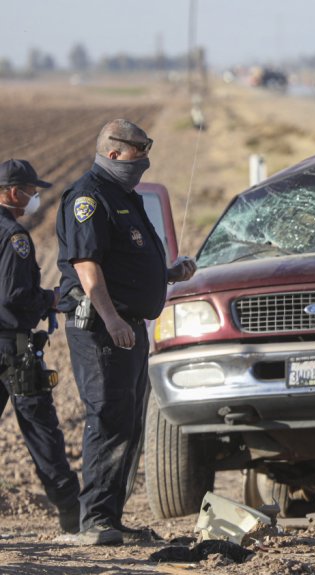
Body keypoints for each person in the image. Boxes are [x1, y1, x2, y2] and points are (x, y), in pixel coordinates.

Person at [55, 119, 197, 546]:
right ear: (113, 153)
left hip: (129, 330)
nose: (145, 160)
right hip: (102, 329)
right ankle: (95, 520)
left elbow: (126, 261)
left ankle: (110, 519)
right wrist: (113, 319)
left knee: (128, 425)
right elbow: (88, 268)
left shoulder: (124, 197)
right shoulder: (89, 197)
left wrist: (168, 274)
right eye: (139, 152)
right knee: (109, 420)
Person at [0, 159, 81, 534]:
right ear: (12, 192)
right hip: (12, 350)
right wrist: (47, 300)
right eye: (31, 191)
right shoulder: (14, 236)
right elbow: (15, 295)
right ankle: (71, 512)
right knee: (40, 428)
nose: (34, 198)